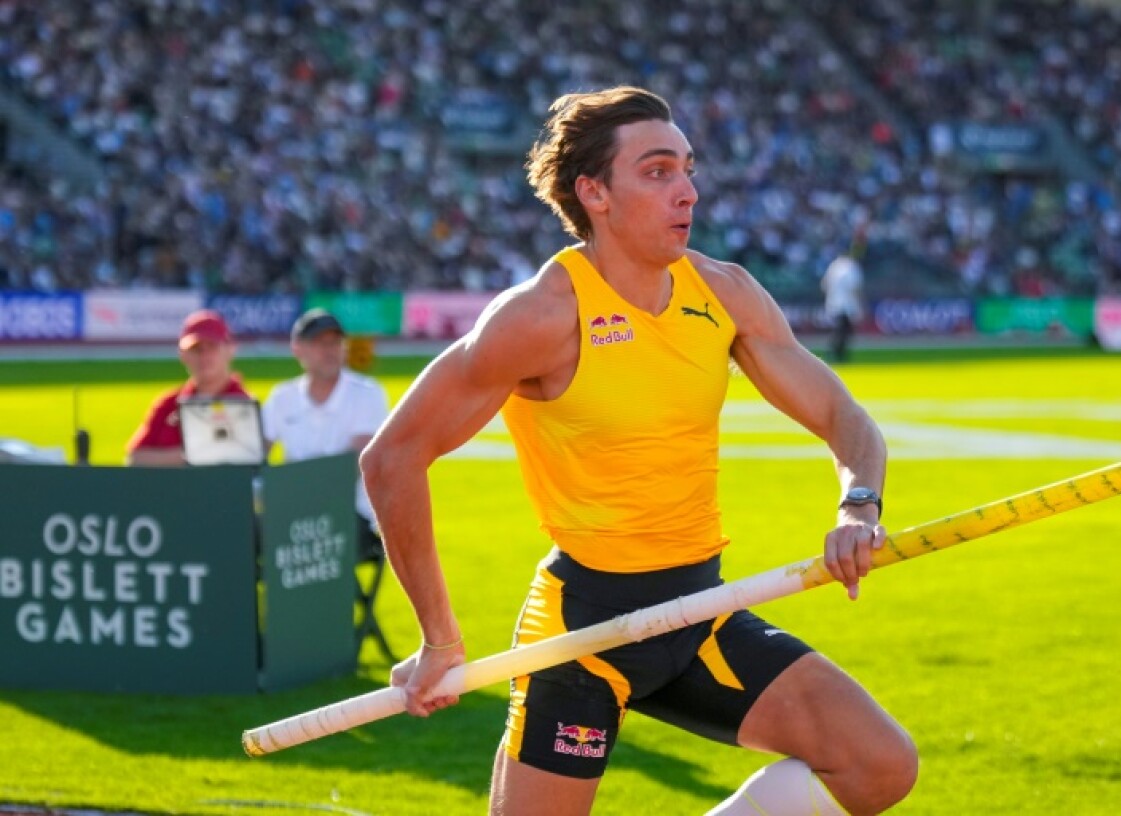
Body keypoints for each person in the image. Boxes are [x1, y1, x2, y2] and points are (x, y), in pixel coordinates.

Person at [360, 87, 916, 816]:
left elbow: (843, 414)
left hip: (702, 608)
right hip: (583, 631)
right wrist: (439, 639)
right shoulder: (541, 316)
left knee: (879, 767)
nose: (687, 191)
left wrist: (858, 504)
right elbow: (391, 457)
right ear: (595, 192)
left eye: (688, 169)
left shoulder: (724, 293)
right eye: (658, 172)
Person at [262, 308, 390, 562]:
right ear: (297, 348)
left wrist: (285, 483)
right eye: (320, 343)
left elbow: (354, 466)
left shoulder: (367, 393)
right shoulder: (282, 397)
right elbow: (255, 454)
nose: (330, 350)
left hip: (351, 514)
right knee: (240, 535)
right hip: (291, 513)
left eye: (335, 342)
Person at [126, 309, 252, 466]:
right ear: (182, 354)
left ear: (230, 349)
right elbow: (135, 458)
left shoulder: (244, 405)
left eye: (212, 347)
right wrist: (193, 455)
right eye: (196, 349)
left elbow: (249, 458)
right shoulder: (168, 403)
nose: (204, 356)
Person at [821, 247, 866, 364]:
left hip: (833, 302)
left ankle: (836, 353)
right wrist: (859, 304)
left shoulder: (834, 266)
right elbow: (855, 288)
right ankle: (838, 354)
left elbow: (824, 285)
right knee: (844, 331)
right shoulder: (852, 267)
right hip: (847, 304)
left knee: (840, 330)